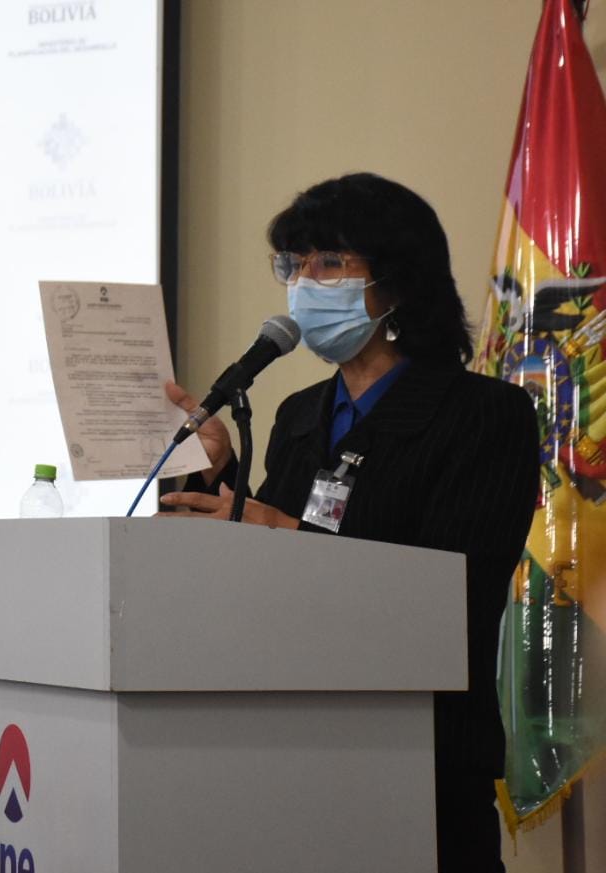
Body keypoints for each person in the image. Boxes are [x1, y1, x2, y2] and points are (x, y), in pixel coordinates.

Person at [161, 173, 540, 872]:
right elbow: (259, 571)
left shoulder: (485, 415)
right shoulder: (300, 414)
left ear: (397, 282)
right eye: (294, 263)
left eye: (330, 261)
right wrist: (214, 470)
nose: (305, 282)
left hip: (424, 757)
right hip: (291, 749)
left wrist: (286, 532)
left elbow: (456, 592)